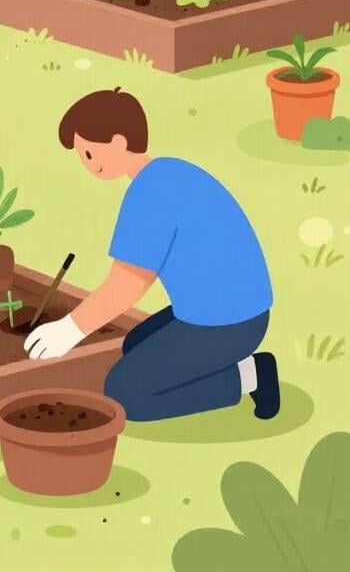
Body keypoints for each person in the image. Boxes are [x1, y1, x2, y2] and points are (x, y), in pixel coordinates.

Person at [24, 88, 280, 423]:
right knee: (135, 345)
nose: (87, 164)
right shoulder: (167, 171)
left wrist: (70, 329)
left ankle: (251, 376)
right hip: (226, 311)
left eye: (88, 153)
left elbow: (128, 285)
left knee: (126, 392)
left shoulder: (149, 193)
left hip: (227, 324)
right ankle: (234, 367)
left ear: (117, 142)